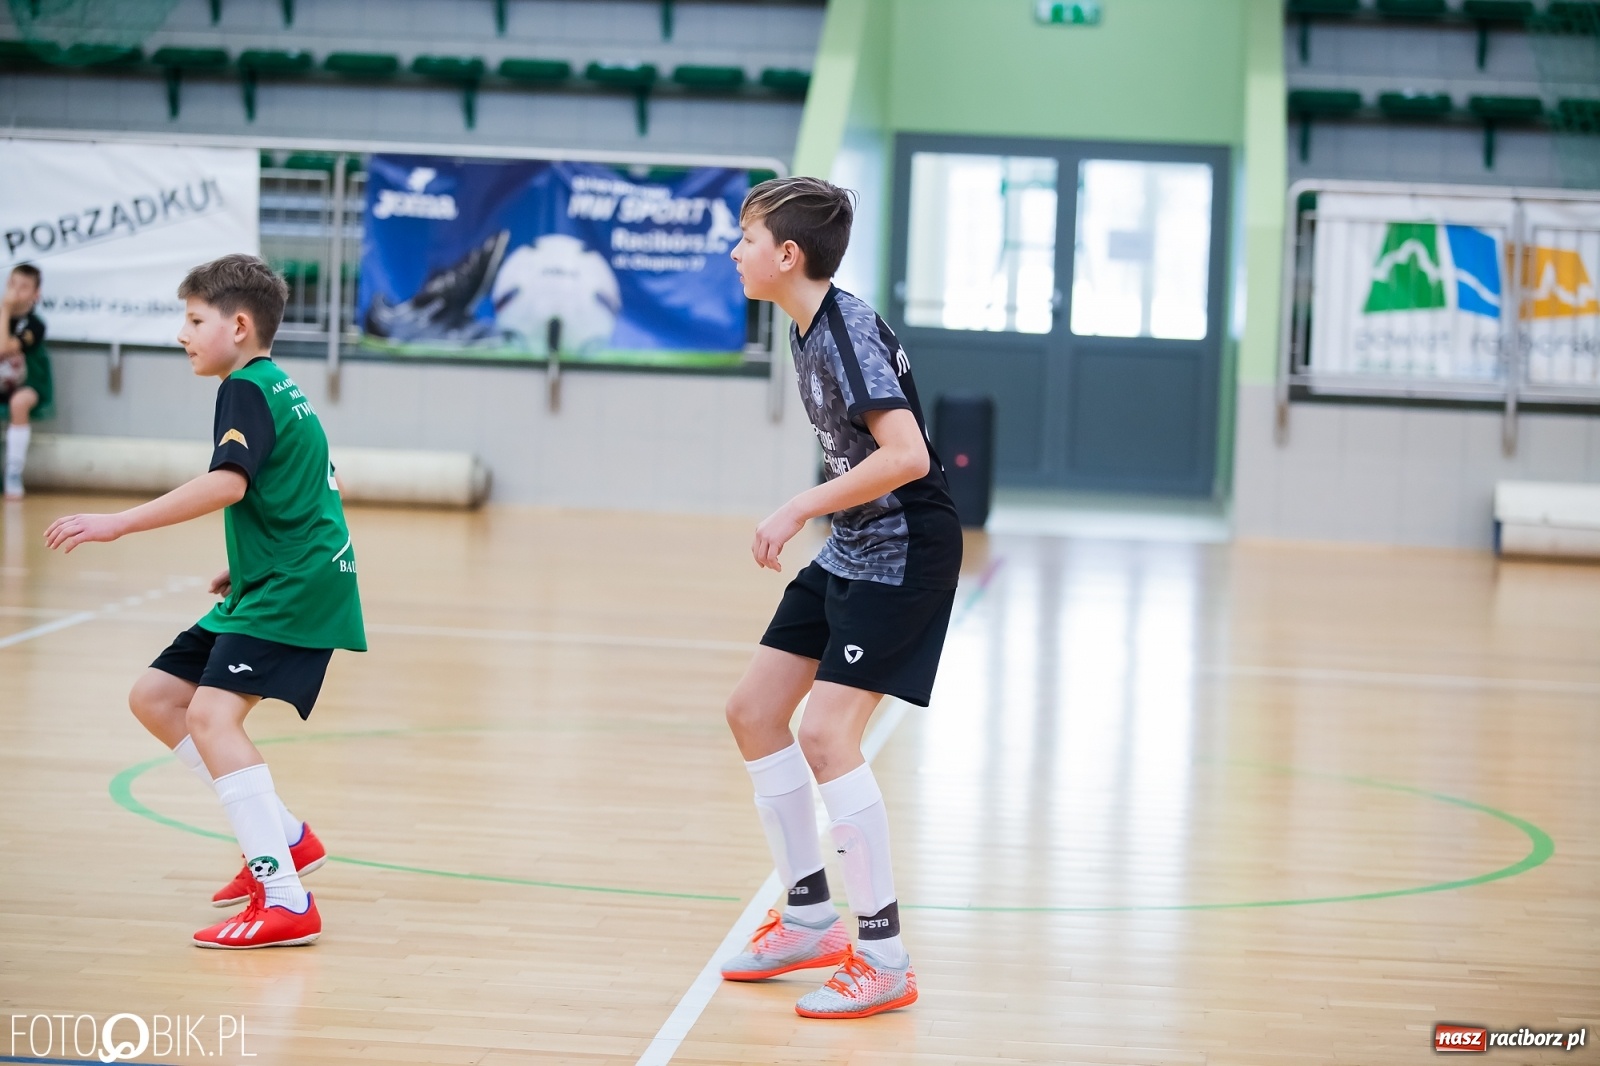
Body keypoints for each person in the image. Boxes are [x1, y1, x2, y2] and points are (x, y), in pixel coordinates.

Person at [44, 254, 365, 949]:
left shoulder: (246, 388)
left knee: (212, 717)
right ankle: (286, 839)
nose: (182, 333)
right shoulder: (276, 385)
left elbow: (229, 483)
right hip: (278, 576)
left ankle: (284, 896)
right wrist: (243, 561)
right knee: (157, 695)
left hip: (294, 588)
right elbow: (301, 487)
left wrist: (117, 522)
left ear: (239, 325)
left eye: (194, 320)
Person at [719, 177, 963, 1019]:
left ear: (787, 256)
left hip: (906, 554)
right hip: (856, 548)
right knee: (755, 711)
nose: (735, 252)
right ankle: (810, 916)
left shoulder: (847, 329)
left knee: (826, 733)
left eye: (745, 239)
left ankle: (885, 956)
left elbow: (908, 457)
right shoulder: (804, 326)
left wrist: (796, 506)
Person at [1, 263, 53, 499]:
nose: (15, 292)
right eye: (12, 284)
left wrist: (5, 310)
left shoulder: (35, 325)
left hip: (29, 384)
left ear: (36, 294)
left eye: (23, 287)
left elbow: (3, 349)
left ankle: (13, 473)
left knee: (19, 403)